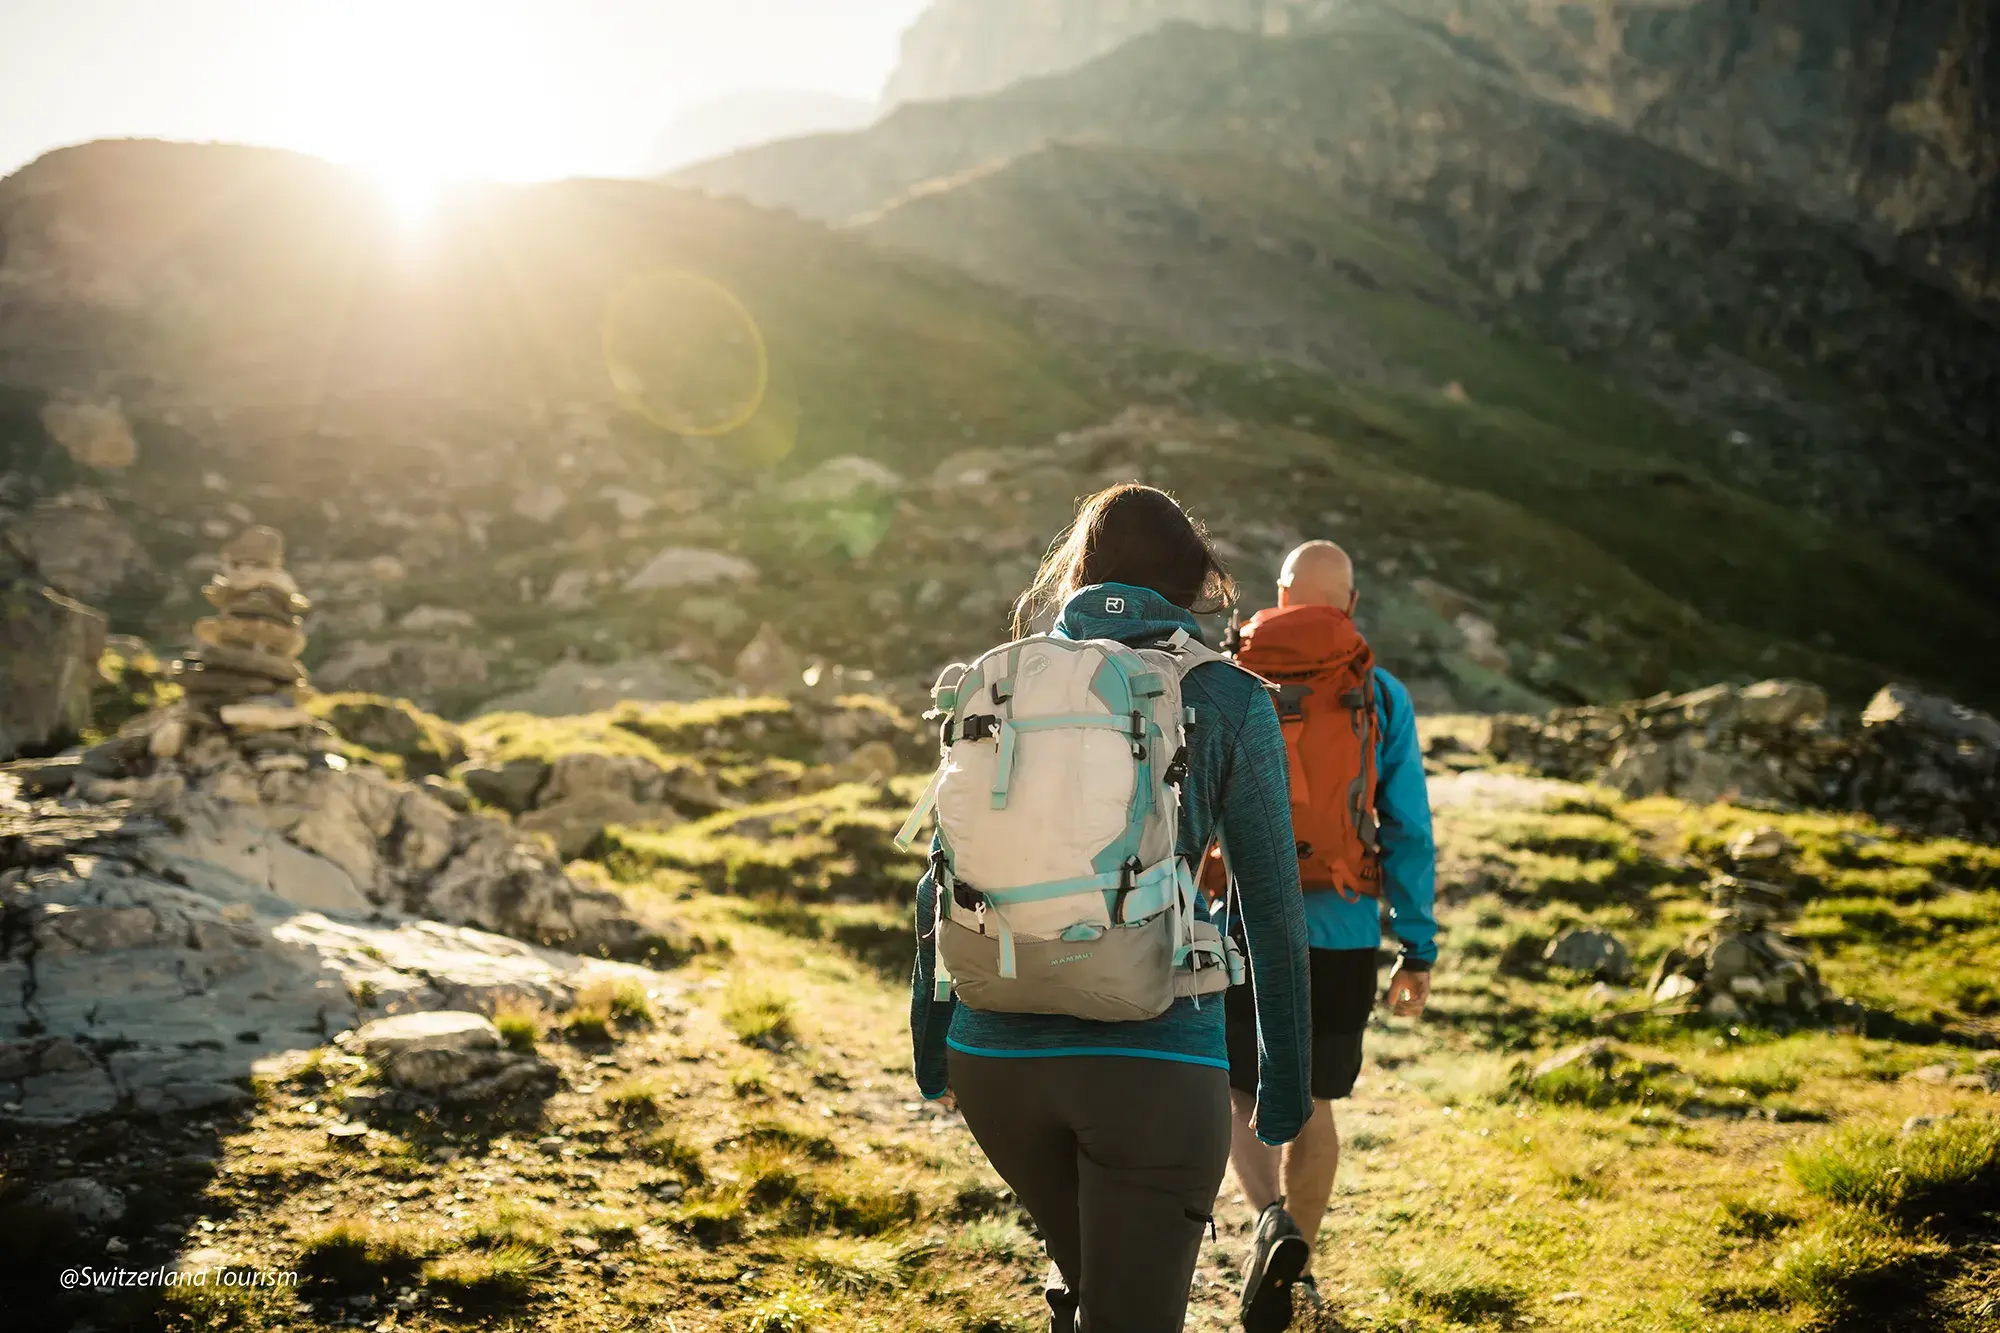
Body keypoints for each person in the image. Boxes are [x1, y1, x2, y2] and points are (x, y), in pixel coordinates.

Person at [909, 484, 1314, 1333]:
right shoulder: (1230, 697)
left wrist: (932, 1050)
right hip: (1155, 1061)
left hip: (994, 1057)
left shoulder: (1005, 679)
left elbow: (941, 876)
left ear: (1078, 574)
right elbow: (1270, 909)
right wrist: (1284, 1090)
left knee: (1091, 1275)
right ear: (1192, 581)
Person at [1221, 540, 1438, 1331]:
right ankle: (1293, 1262)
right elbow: (1408, 828)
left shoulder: (1230, 679)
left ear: (1279, 595)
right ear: (1348, 604)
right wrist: (1417, 946)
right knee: (1311, 1098)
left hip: (1242, 918)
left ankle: (1269, 1220)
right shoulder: (1378, 693)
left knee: (1239, 1088)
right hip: (1343, 930)